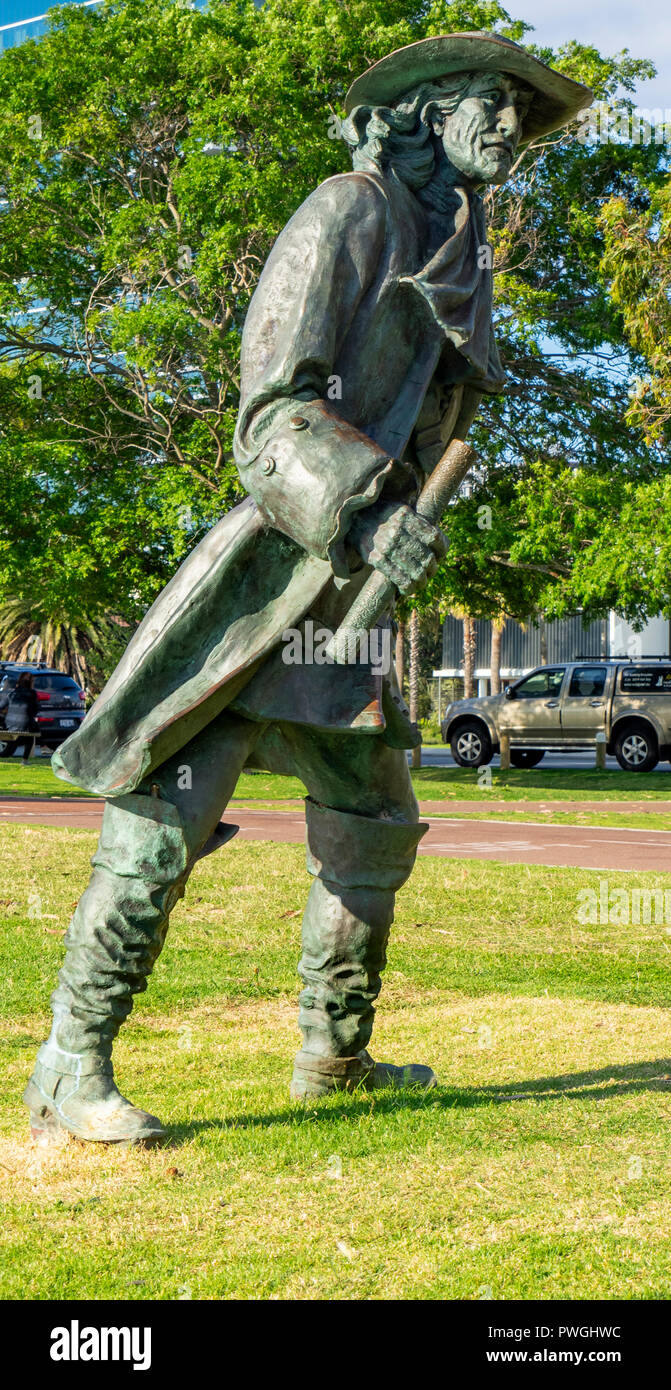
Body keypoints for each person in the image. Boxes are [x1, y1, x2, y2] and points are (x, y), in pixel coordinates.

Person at [24, 32, 592, 1144]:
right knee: (162, 826)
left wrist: (407, 521)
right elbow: (271, 413)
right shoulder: (346, 213)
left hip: (355, 616)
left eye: (521, 113)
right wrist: (370, 510)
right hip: (272, 588)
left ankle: (334, 1058)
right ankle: (68, 1064)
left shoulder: (461, 247)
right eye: (490, 103)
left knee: (372, 826)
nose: (508, 129)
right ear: (423, 110)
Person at [0, 672, 37, 764]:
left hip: (10, 725)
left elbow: (1, 706)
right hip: (25, 726)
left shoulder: (12, 693)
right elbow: (35, 710)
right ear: (30, 683)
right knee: (31, 733)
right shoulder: (32, 694)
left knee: (16, 739)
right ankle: (25, 760)